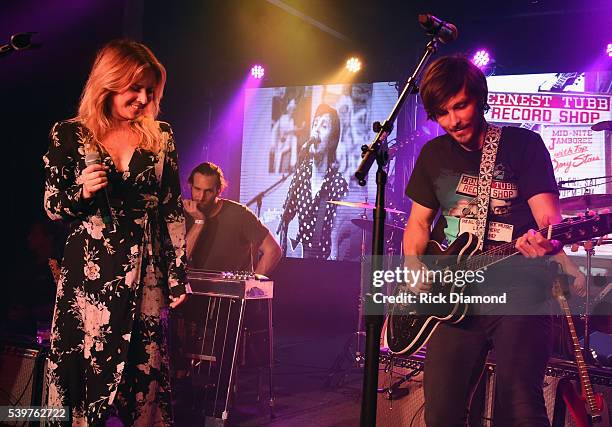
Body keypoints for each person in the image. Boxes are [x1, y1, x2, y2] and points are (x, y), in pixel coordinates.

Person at [402, 55, 581, 426]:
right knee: (440, 413)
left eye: (460, 106)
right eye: (442, 113)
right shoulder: (433, 155)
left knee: (518, 406)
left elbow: (548, 217)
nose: (453, 120)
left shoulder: (523, 145)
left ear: (479, 98)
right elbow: (419, 223)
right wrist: (414, 266)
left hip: (517, 287)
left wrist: (550, 245)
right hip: (451, 298)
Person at [43, 39, 189, 426]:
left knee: (144, 375)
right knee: (84, 378)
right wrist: (83, 191)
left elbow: (172, 208)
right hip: (89, 274)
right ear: (109, 82)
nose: (143, 98)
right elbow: (54, 206)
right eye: (134, 87)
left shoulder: (162, 137)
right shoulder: (70, 134)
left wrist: (177, 275)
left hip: (146, 272)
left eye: (150, 91)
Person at [279, 103, 349, 260]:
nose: (316, 130)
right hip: (298, 261)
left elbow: (339, 229)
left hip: (325, 263)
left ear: (332, 141)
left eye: (324, 126)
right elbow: (286, 217)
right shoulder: (301, 175)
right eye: (315, 124)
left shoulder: (337, 183)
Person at [183, 161, 281, 273]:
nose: (201, 197)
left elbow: (273, 250)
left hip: (232, 289)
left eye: (208, 191)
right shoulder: (182, 215)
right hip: (194, 289)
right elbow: (177, 263)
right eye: (197, 189)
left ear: (219, 190)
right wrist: (199, 222)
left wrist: (252, 286)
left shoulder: (239, 214)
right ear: (190, 186)